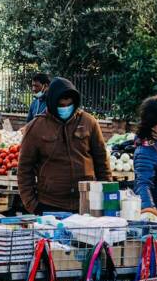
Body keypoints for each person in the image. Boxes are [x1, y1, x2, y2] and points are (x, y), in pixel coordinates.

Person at [18, 77, 111, 214]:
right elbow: (24, 169)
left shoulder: (89, 122)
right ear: (52, 103)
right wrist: (32, 204)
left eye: (69, 104)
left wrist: (106, 196)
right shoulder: (36, 127)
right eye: (61, 105)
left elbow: (102, 161)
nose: (66, 108)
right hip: (50, 205)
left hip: (86, 202)